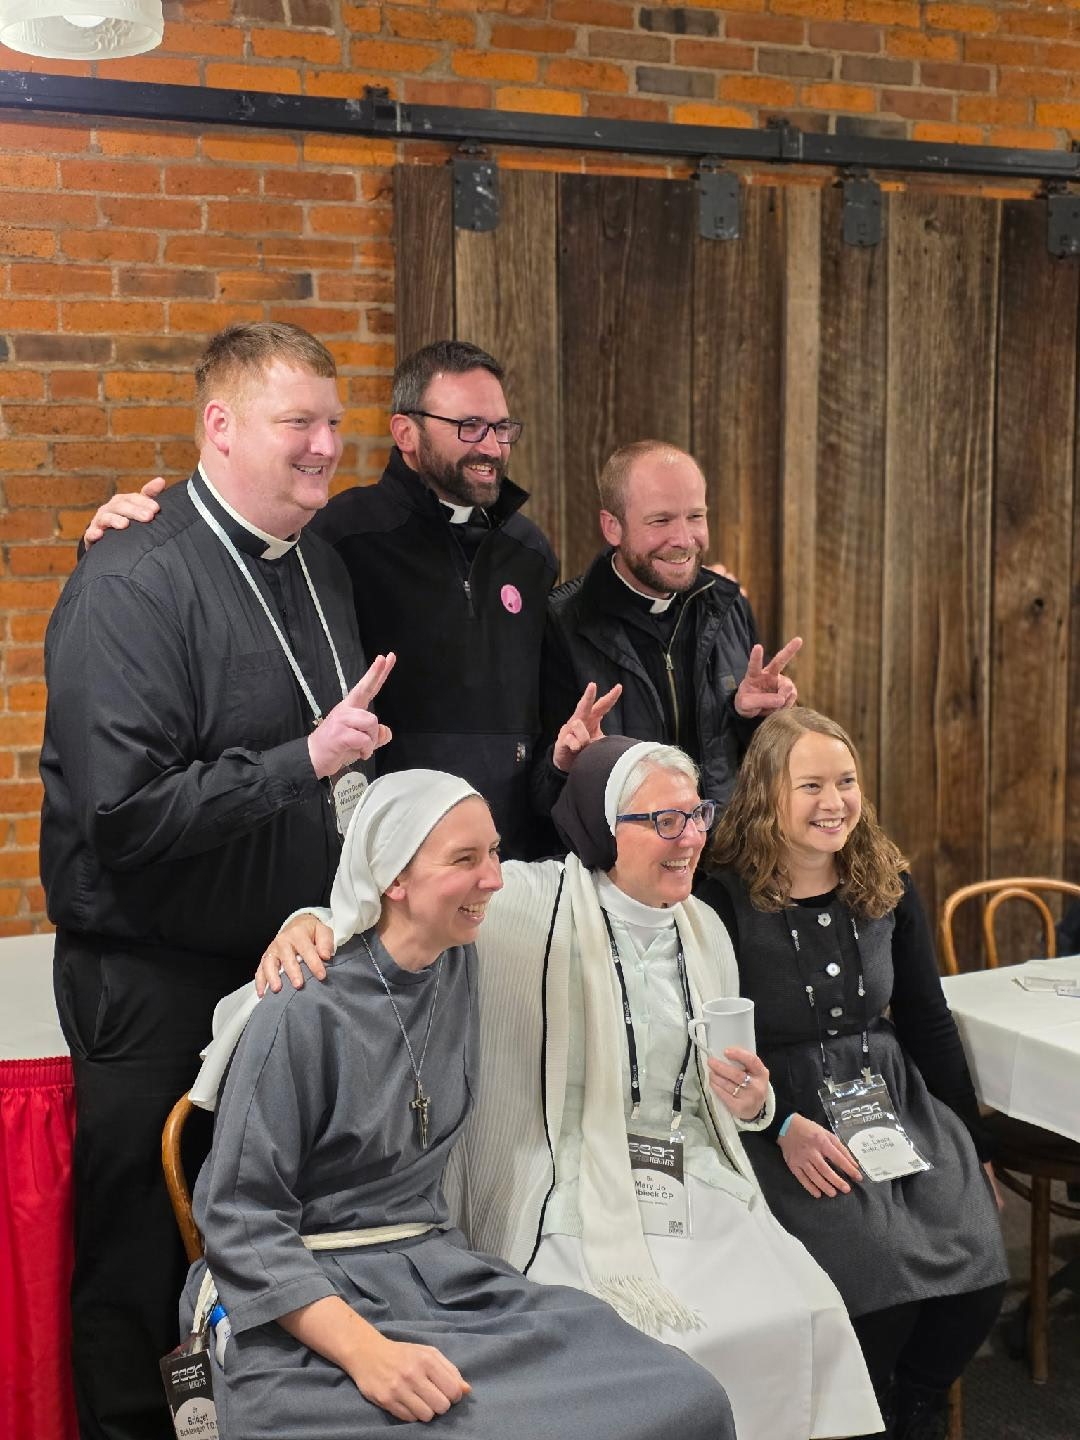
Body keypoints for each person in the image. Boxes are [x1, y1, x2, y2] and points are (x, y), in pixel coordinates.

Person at [264, 735, 882, 1440]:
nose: (690, 839)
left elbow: (726, 1091)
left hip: (695, 1171)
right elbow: (399, 910)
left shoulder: (706, 927)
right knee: (664, 1353)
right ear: (601, 826)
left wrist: (759, 1107)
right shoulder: (526, 904)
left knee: (804, 1310)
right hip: (569, 1180)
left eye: (698, 814)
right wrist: (310, 921)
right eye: (664, 821)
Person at [40, 321, 392, 1440]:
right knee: (148, 1248)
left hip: (284, 967)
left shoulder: (319, 562)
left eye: (334, 424)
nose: (325, 447)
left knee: (263, 1237)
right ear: (220, 427)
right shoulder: (133, 578)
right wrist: (308, 763)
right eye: (299, 423)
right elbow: (125, 816)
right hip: (154, 982)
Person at [182, 769, 734, 1440]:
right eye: (465, 859)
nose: (495, 879)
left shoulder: (456, 957)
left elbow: (600, 898)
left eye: (494, 852)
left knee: (685, 1395)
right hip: (299, 1304)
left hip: (439, 1279)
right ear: (393, 878)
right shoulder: (299, 1010)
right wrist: (367, 1354)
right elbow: (240, 1219)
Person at [83, 339, 559, 860]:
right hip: (378, 861)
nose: (490, 446)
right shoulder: (340, 537)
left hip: (496, 850)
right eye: (469, 427)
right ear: (405, 431)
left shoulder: (526, 549)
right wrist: (109, 553)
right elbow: (124, 806)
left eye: (333, 424)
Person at [697, 708, 1008, 1440]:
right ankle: (854, 1415)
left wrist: (976, 1143)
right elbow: (707, 1045)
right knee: (876, 1276)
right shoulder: (720, 894)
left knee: (981, 1260)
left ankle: (916, 1402)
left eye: (846, 781)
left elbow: (928, 1020)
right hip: (782, 1113)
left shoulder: (887, 879)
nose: (833, 801)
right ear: (767, 791)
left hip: (890, 1094)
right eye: (810, 784)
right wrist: (775, 1123)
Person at [535, 439, 801, 817]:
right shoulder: (561, 623)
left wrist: (755, 718)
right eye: (660, 520)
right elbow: (541, 794)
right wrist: (566, 763)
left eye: (695, 517)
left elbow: (757, 769)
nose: (683, 540)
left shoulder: (728, 605)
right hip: (621, 866)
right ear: (613, 527)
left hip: (723, 859)